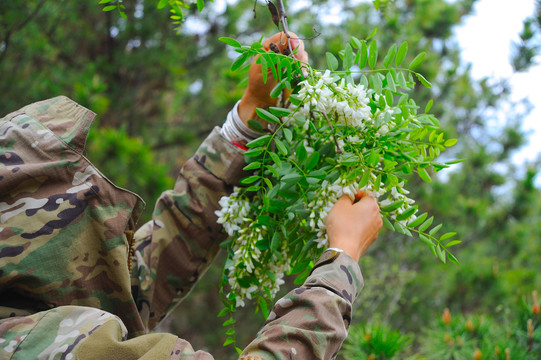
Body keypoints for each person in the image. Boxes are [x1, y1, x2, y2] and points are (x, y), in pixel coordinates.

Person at [0, 32, 382, 360]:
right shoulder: (41, 346)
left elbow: (144, 271)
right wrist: (339, 265)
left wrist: (249, 119)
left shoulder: (25, 300)